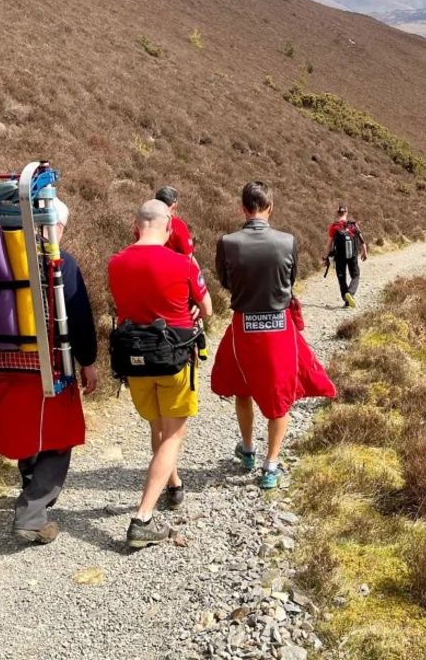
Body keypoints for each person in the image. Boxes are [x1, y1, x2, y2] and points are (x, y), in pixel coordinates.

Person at [0, 198, 98, 545]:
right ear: (55, 225)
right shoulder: (60, 262)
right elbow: (77, 316)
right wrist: (88, 361)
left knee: (23, 423)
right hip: (46, 365)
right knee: (60, 435)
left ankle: (30, 480)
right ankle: (32, 513)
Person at [211, 181, 336, 490]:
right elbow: (290, 279)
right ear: (270, 207)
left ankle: (248, 449)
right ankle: (271, 465)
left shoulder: (228, 242)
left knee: (243, 386)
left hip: (244, 325)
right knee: (280, 395)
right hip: (280, 326)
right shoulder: (287, 241)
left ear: (243, 208)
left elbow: (225, 280)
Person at [109, 200, 213, 548]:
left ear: (136, 226)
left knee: (157, 428)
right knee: (174, 435)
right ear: (169, 227)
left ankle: (173, 486)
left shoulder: (115, 263)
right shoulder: (182, 263)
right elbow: (208, 310)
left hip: (134, 361)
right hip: (172, 359)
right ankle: (142, 518)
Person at [154, 186, 208, 362]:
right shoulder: (178, 226)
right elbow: (189, 259)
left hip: (152, 278)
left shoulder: (144, 224)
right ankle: (196, 346)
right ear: (174, 205)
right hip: (177, 279)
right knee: (189, 314)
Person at [325, 206, 368, 308]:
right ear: (346, 212)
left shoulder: (334, 226)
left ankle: (346, 300)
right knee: (355, 275)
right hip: (352, 255)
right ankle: (350, 293)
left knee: (342, 278)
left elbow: (329, 244)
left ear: (337, 213)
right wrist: (364, 251)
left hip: (339, 256)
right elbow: (361, 240)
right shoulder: (353, 225)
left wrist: (325, 256)